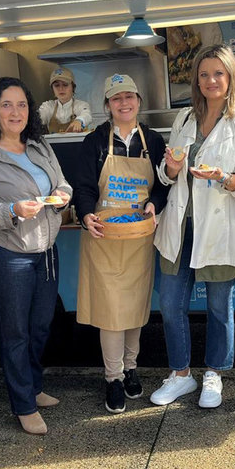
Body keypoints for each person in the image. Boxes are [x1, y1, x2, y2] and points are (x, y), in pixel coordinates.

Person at [0, 77, 72, 435]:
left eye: (22, 104)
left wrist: (63, 196)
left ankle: (33, 386)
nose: (15, 112)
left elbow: (62, 182)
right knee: (14, 331)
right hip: (7, 251)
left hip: (46, 247)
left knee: (41, 325)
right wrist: (12, 210)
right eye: (6, 104)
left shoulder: (38, 145)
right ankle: (22, 404)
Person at [151, 45, 235, 409]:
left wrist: (222, 177)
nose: (210, 81)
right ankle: (181, 375)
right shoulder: (183, 119)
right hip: (179, 225)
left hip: (220, 227)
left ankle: (213, 373)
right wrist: (168, 169)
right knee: (170, 303)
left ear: (230, 78)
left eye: (218, 73)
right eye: (204, 74)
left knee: (218, 304)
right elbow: (168, 177)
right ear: (196, 80)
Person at [74, 73, 169, 414]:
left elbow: (162, 185)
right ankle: (112, 377)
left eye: (129, 96)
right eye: (117, 99)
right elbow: (83, 186)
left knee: (134, 310)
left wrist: (153, 204)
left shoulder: (153, 141)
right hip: (104, 237)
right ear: (108, 105)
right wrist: (86, 214)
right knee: (111, 313)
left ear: (139, 102)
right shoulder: (95, 142)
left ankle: (131, 368)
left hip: (139, 238)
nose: (124, 103)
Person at [37, 66, 91, 133]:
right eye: (57, 85)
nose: (61, 89)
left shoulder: (81, 105)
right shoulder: (48, 106)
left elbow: (87, 115)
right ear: (52, 89)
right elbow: (38, 118)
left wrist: (79, 121)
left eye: (65, 85)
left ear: (73, 87)